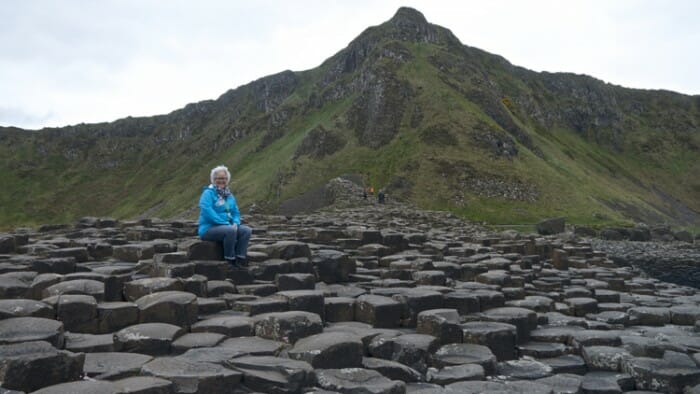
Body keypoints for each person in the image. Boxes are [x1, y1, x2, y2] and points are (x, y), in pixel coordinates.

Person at [198, 165, 252, 267]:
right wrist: (225, 223)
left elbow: (236, 212)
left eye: (224, 178)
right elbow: (207, 211)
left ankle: (240, 258)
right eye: (218, 178)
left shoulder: (229, 195)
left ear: (227, 180)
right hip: (209, 228)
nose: (221, 181)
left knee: (246, 231)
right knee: (230, 231)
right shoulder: (208, 193)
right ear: (213, 180)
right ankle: (229, 260)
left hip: (227, 226)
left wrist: (236, 222)